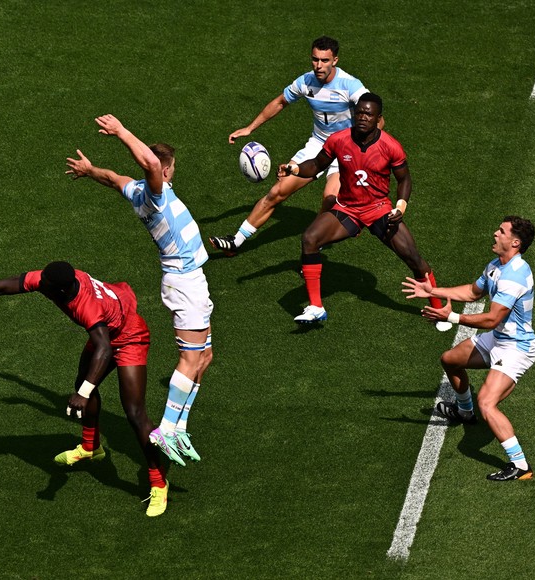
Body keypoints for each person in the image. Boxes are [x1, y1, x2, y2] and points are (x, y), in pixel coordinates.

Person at [0, 261, 170, 516]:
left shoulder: (85, 306)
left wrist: (82, 394)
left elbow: (104, 349)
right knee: (83, 383)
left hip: (127, 337)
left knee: (134, 413)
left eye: (45, 286)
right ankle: (91, 448)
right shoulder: (55, 280)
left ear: (61, 291)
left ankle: (159, 483)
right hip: (104, 333)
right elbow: (4, 286)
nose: (39, 287)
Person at [66, 115, 213, 470]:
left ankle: (178, 426)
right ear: (165, 172)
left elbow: (114, 178)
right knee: (190, 359)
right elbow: (147, 162)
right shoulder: (157, 195)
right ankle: (165, 428)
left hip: (190, 281)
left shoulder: (137, 192)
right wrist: (120, 132)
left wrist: (89, 170)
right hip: (185, 282)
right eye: (170, 168)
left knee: (205, 357)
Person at [277, 92, 448, 329]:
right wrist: (294, 169)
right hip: (347, 208)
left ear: (379, 118)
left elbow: (404, 180)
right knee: (310, 238)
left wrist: (400, 206)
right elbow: (316, 165)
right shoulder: (338, 140)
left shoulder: (390, 146)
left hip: (379, 210)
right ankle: (316, 307)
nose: (363, 117)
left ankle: (438, 309)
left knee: (412, 257)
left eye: (368, 114)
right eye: (359, 112)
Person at [402, 216, 535, 481]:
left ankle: (521, 467)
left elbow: (491, 319)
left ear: (515, 242)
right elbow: (473, 293)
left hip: (516, 349)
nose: (494, 234)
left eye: (501, 231)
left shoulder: (515, 276)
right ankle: (465, 412)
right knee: (450, 359)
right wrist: (434, 291)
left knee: (487, 403)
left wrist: (450, 318)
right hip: (499, 339)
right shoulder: (497, 265)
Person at [209, 36, 372, 256]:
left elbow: (375, 115)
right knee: (278, 190)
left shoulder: (350, 85)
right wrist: (249, 128)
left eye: (324, 60)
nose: (318, 66)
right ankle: (235, 242)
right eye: (315, 60)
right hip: (319, 144)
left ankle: (315, 245)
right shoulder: (305, 81)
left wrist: (366, 147)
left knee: (330, 200)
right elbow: (280, 102)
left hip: (346, 149)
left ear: (335, 60)